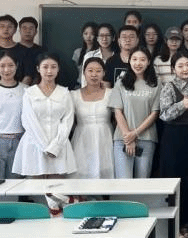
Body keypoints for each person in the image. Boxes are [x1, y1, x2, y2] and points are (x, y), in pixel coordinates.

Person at [12, 53, 77, 215]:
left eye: (53, 67)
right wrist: (45, 147)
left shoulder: (64, 93)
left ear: (58, 69)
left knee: (58, 187)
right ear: (38, 69)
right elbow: (28, 121)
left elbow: (67, 120)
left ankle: (58, 217)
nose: (49, 71)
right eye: (45, 67)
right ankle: (40, 218)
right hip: (34, 144)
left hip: (59, 144)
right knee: (37, 187)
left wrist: (55, 146)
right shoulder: (29, 93)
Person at [159, 51, 188, 238]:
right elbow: (164, 115)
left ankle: (184, 223)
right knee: (173, 181)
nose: (185, 69)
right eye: (180, 66)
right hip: (173, 140)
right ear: (173, 69)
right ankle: (171, 226)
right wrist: (182, 105)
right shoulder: (169, 86)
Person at [109, 47, 161, 178]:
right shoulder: (121, 81)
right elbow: (117, 111)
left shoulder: (156, 83)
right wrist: (128, 136)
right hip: (122, 138)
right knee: (123, 181)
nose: (138, 63)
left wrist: (135, 134)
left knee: (142, 181)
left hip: (146, 138)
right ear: (129, 61)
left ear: (148, 62)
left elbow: (154, 113)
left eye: (142, 59)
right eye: (135, 59)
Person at [70, 57, 114, 179]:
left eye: (98, 71)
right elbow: (69, 122)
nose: (94, 74)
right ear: (84, 73)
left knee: (106, 174)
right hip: (81, 140)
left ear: (104, 73)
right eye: (90, 70)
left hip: (105, 139)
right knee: (81, 174)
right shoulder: (74, 95)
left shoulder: (111, 93)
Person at [0, 50, 26, 179]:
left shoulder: (26, 90)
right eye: (2, 66)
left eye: (10, 65)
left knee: (15, 183)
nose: (6, 70)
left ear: (17, 66)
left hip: (19, 141)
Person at [82, 23, 117, 87]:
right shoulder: (90, 56)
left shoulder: (119, 56)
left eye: (107, 35)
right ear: (97, 38)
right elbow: (84, 80)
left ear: (113, 38)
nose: (104, 39)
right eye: (101, 35)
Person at [0, 15, 32, 84]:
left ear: (15, 30)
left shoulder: (25, 51)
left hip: (19, 89)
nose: (6, 29)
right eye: (2, 26)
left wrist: (17, 89)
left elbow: (28, 76)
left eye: (9, 27)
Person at [71, 22, 98, 88]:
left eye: (92, 34)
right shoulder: (78, 52)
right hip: (80, 85)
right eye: (85, 34)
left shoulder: (99, 52)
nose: (88, 36)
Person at [19, 17, 44, 83]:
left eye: (31, 28)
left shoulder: (42, 51)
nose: (28, 31)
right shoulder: (11, 50)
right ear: (19, 31)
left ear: (36, 32)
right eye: (24, 28)